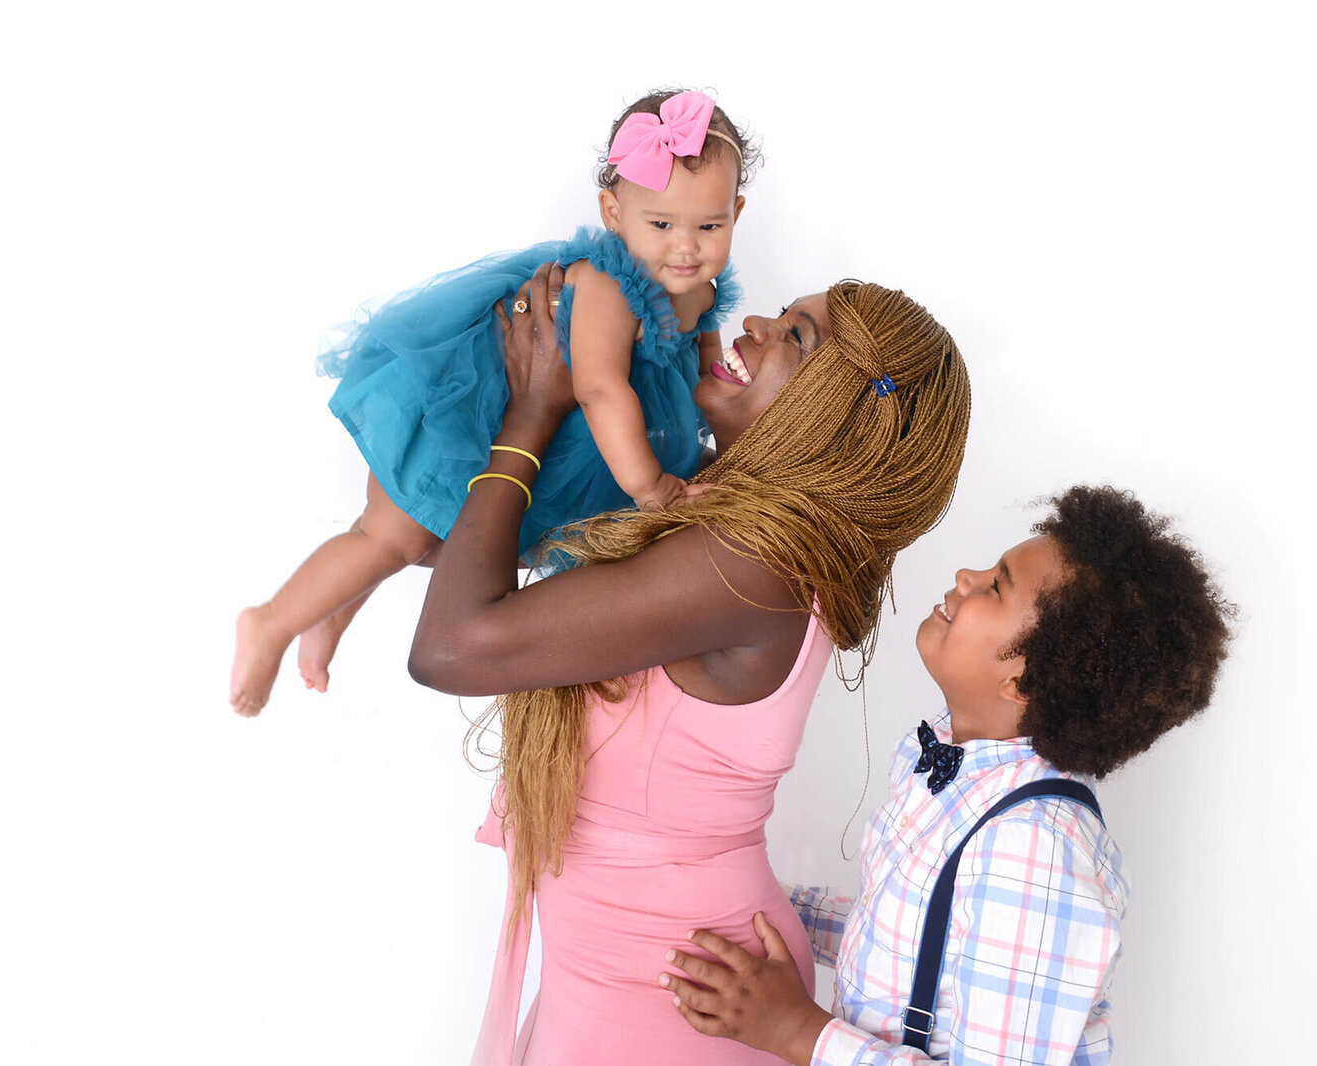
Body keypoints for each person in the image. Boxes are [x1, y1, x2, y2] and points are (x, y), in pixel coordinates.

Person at [407, 264, 973, 1065]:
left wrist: (533, 410)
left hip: (672, 989)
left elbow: (450, 650)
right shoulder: (720, 527)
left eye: (795, 336)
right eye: (780, 313)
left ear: (833, 420)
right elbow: (472, 572)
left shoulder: (750, 562)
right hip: (650, 968)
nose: (755, 328)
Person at [662, 486, 1233, 1065]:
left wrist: (796, 1031)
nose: (965, 575)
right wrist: (763, 904)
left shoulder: (1033, 850)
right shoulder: (957, 769)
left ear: (1024, 683)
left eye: (996, 586)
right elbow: (908, 944)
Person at [230, 89, 754, 715]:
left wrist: (727, 441)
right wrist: (649, 487)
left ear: (737, 213)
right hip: (466, 422)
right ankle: (271, 621)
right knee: (391, 535)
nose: (686, 248)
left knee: (410, 541)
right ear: (613, 212)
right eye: (661, 224)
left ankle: (327, 613)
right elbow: (600, 387)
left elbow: (704, 372)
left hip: (552, 443)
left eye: (709, 226)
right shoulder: (608, 286)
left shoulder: (700, 286)